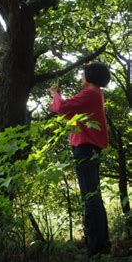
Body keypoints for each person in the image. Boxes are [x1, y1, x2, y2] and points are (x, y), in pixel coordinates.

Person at [49, 62, 111, 257]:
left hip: (85, 148)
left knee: (89, 197)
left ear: (90, 75)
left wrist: (55, 94)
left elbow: (63, 107)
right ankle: (101, 244)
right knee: (93, 196)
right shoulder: (96, 93)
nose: (80, 77)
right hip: (90, 148)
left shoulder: (91, 92)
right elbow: (68, 113)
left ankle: (95, 249)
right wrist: (58, 100)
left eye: (83, 73)